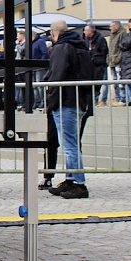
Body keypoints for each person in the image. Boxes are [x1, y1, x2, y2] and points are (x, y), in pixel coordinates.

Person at [44, 19, 89, 199]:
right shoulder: (80, 46)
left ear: (54, 33)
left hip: (65, 100)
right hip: (78, 99)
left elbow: (57, 74)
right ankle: (70, 179)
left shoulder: (62, 48)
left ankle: (79, 183)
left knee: (70, 144)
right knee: (71, 142)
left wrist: (50, 98)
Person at [84, 24, 108, 107]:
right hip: (89, 65)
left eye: (86, 30)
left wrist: (95, 57)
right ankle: (92, 100)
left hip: (99, 65)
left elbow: (104, 52)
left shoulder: (100, 39)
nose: (84, 32)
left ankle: (100, 99)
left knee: (100, 82)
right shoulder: (86, 40)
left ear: (90, 31)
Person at [105, 20, 127, 106]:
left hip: (118, 61)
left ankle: (123, 98)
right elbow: (110, 48)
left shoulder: (122, 34)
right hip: (112, 61)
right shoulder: (112, 35)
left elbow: (122, 48)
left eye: (112, 26)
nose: (110, 28)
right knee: (114, 81)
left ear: (117, 26)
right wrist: (109, 58)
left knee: (120, 80)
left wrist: (118, 58)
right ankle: (117, 99)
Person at [31, 31, 49, 109]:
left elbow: (44, 53)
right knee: (35, 86)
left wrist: (40, 63)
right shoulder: (31, 43)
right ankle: (37, 101)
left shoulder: (40, 42)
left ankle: (43, 101)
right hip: (32, 67)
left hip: (39, 66)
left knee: (39, 85)